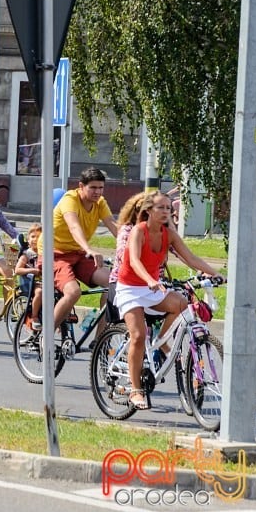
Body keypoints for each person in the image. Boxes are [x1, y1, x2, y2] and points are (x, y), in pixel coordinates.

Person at [113, 191, 222, 411]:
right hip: (130, 288)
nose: (166, 212)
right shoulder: (138, 231)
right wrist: (149, 280)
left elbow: (190, 258)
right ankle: (135, 390)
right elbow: (133, 261)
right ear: (148, 210)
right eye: (161, 207)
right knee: (138, 335)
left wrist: (214, 274)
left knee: (182, 304)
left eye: (169, 208)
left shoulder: (168, 234)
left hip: (152, 287)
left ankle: (162, 340)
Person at [48, 167, 119, 330]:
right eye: (93, 187)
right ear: (81, 186)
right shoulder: (70, 199)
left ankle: (100, 339)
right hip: (54, 254)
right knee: (73, 292)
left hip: (78, 254)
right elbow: (74, 227)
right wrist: (89, 249)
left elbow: (114, 226)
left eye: (101, 188)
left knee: (114, 284)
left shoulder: (100, 203)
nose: (97, 192)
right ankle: (47, 337)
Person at [15, 223, 42, 299]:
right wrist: (32, 270)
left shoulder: (45, 254)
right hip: (31, 283)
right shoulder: (26, 254)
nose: (35, 239)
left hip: (44, 282)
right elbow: (17, 270)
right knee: (39, 293)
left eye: (39, 237)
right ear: (28, 240)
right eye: (33, 236)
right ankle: (34, 311)